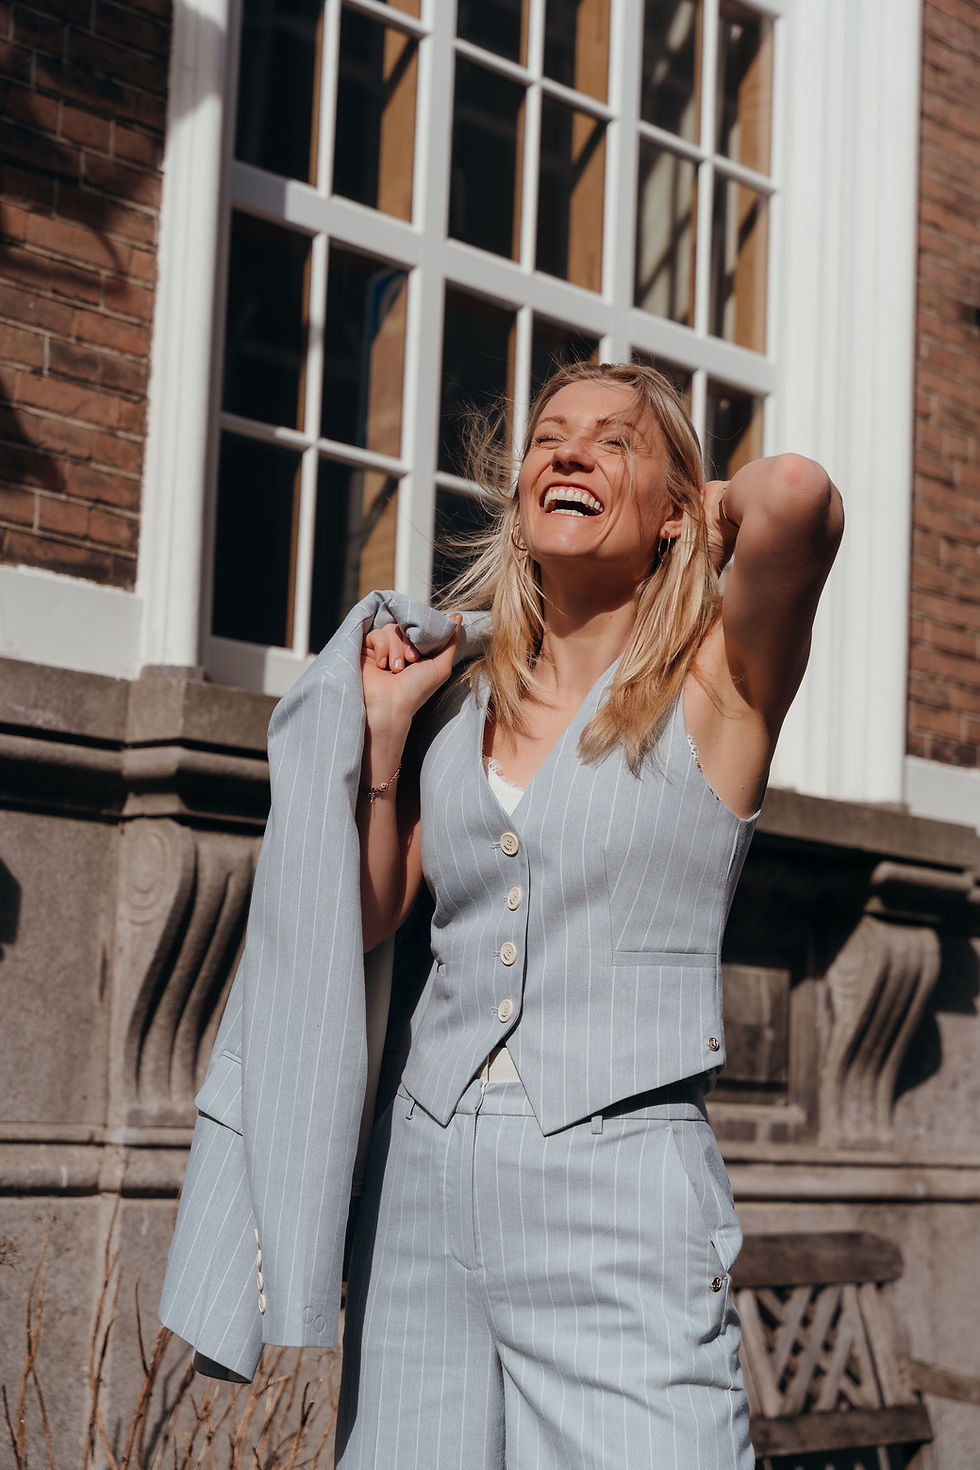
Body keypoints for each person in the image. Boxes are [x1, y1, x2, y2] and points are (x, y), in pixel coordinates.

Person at [335, 360, 844, 1468]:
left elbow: (797, 494)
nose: (565, 452)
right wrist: (383, 741)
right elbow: (374, 915)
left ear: (676, 511)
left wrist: (678, 512)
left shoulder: (719, 685)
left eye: (612, 441)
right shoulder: (459, 705)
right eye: (548, 438)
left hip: (617, 1190)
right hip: (421, 1182)